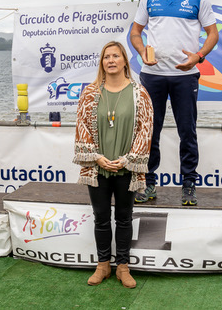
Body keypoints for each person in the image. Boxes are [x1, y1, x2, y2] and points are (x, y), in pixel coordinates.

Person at [130, 0, 218, 206]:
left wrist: (198, 56)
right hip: (152, 75)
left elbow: (213, 34)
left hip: (185, 77)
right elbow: (136, 32)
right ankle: (148, 183)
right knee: (149, 131)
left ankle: (189, 185)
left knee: (187, 132)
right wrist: (142, 51)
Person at [73, 41, 153, 289]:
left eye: (115, 56)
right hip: (97, 167)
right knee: (100, 218)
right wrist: (96, 156)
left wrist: (128, 159)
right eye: (106, 57)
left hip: (127, 168)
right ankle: (103, 266)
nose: (111, 60)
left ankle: (123, 267)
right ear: (102, 62)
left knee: (124, 218)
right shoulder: (90, 93)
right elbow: (82, 126)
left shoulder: (139, 94)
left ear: (125, 61)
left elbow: (146, 129)